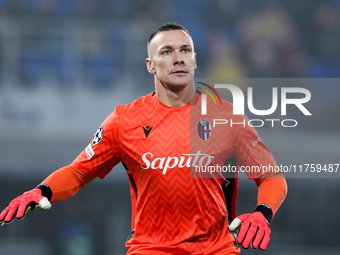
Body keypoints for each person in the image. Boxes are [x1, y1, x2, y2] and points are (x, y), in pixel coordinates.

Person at [0, 22, 287, 254]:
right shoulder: (125, 120)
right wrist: (42, 190)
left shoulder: (228, 117)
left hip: (214, 250)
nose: (178, 58)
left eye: (186, 50)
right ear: (150, 64)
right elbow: (78, 172)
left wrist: (263, 212)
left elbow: (272, 177)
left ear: (195, 60)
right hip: (150, 249)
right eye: (167, 51)